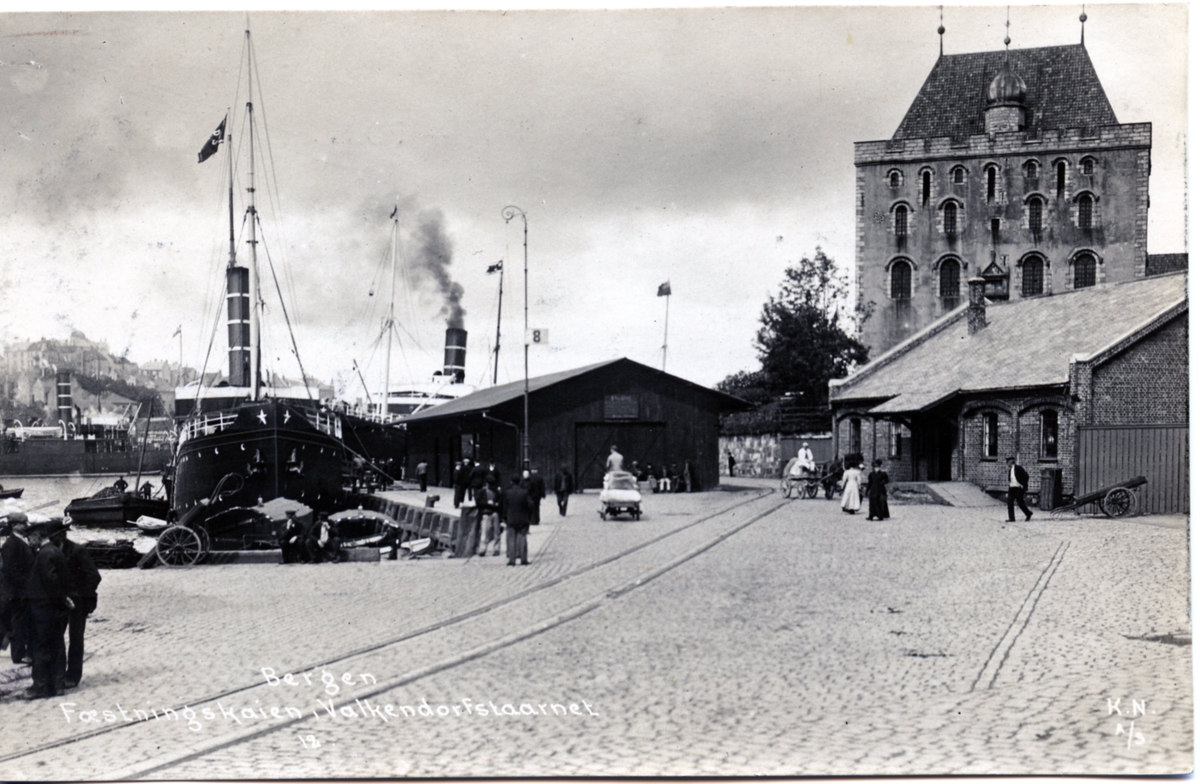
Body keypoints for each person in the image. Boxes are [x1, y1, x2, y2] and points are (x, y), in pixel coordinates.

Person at [24, 520, 71, 699]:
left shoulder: (45, 554)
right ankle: (57, 685)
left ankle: (41, 686)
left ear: (38, 536)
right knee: (57, 645)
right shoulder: (54, 551)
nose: (29, 541)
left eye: (30, 538)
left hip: (43, 609)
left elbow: (51, 581)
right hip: (52, 609)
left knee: (40, 646)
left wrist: (59, 599)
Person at [53, 522, 101, 689]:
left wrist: (80, 595)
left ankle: (73, 676)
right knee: (57, 636)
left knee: (76, 638)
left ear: (62, 535)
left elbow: (94, 576)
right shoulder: (51, 551)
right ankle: (58, 673)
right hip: (61, 602)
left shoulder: (78, 551)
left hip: (79, 602)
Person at [1, 513, 34, 665]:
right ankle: (18, 655)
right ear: (14, 525)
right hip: (17, 591)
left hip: (22, 590)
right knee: (18, 622)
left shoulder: (22, 541)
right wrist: (27, 584)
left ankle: (23, 651)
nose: (26, 524)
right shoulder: (10, 544)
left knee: (23, 622)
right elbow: (10, 571)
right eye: (23, 522)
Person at [500, 476, 534, 566]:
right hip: (523, 518)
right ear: (520, 482)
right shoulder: (524, 492)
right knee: (522, 538)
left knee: (511, 539)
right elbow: (531, 505)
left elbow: (504, 507)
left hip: (511, 518)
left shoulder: (507, 493)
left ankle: (512, 560)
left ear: (511, 482)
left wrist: (504, 517)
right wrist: (528, 515)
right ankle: (523, 559)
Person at [476, 483, 503, 557]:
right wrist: (488, 503)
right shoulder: (484, 492)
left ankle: (485, 549)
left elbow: (500, 502)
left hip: (490, 513)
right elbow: (478, 502)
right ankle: (493, 549)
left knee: (487, 533)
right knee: (489, 532)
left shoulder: (496, 492)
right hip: (488, 513)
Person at [1006, 456, 1033, 522]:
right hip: (1012, 488)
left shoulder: (1018, 468)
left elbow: (1026, 476)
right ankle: (1012, 518)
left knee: (1020, 502)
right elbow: (1010, 479)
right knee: (1010, 502)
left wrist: (1023, 485)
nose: (1007, 464)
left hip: (1018, 488)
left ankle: (1028, 513)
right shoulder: (1010, 470)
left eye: (1008, 463)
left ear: (1011, 462)